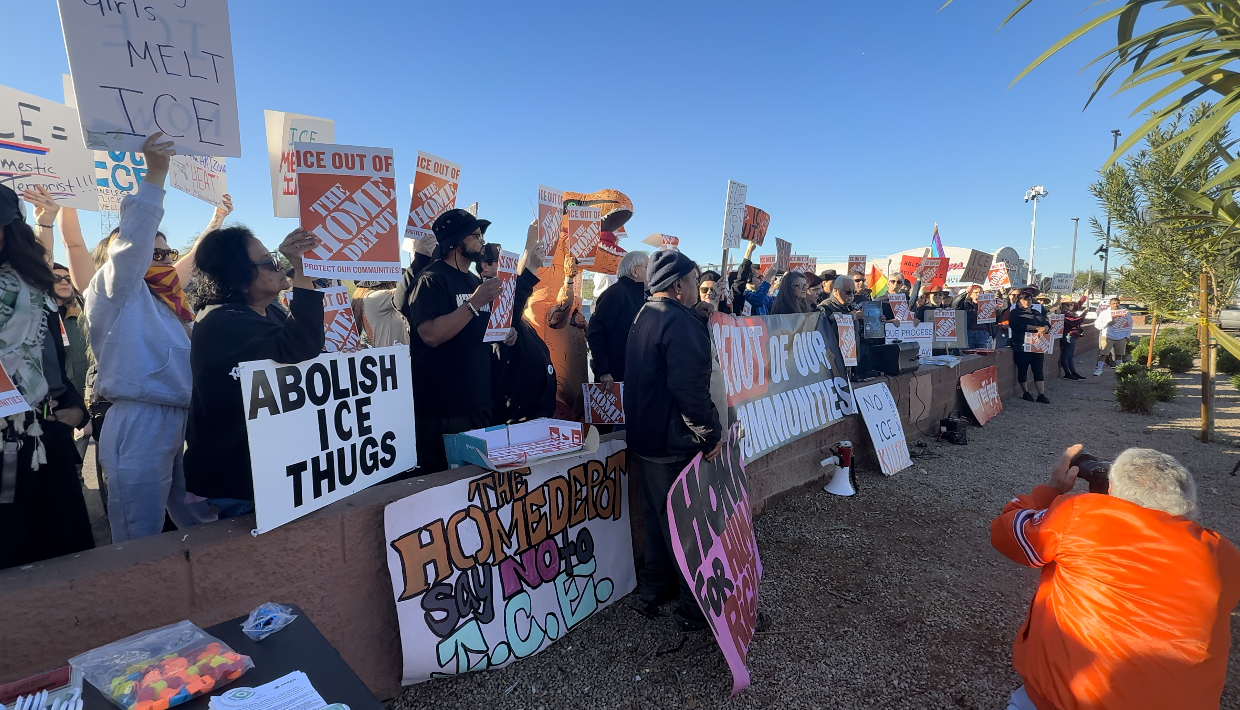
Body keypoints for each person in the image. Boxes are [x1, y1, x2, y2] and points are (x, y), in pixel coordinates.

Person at [992, 445, 1240, 710]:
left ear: (1111, 491)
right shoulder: (1224, 554)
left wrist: (1051, 489)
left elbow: (1005, 531)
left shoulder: (1081, 515)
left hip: (1064, 701)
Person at [83, 133, 215, 542]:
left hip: (185, 417)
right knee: (139, 529)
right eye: (151, 253)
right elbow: (133, 244)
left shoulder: (176, 305)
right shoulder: (113, 292)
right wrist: (156, 172)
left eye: (166, 254)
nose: (162, 260)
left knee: (199, 523)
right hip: (139, 419)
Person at [182, 226, 324, 519]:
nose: (279, 265)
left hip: (269, 471)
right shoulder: (222, 323)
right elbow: (301, 345)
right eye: (269, 260)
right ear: (239, 277)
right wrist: (302, 268)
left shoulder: (266, 311)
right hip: (242, 482)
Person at [625, 249, 721, 632]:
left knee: (656, 521)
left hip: (647, 439)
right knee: (685, 529)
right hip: (672, 442)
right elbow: (691, 391)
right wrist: (711, 432)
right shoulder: (677, 323)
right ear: (679, 285)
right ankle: (695, 610)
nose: (700, 288)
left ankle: (655, 589)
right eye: (696, 281)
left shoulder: (646, 313)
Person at [0, 186, 94, 568]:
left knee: (62, 559)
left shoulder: (32, 288)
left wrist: (73, 407)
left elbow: (51, 359)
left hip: (42, 438)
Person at [402, 209, 506, 473]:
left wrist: (504, 333)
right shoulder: (431, 279)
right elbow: (431, 335)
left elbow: (476, 332)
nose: (481, 241)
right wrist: (475, 303)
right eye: (475, 235)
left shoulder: (474, 281)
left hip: (480, 400)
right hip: (444, 409)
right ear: (455, 241)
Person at [492, 224, 556, 425]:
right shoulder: (499, 312)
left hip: (536, 414)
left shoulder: (517, 318)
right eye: (500, 264)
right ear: (485, 266)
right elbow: (513, 302)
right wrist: (532, 266)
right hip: (519, 419)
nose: (509, 276)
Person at [586, 250, 648, 391]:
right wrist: (604, 371)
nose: (651, 273)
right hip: (616, 379)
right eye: (647, 268)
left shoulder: (642, 295)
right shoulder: (615, 294)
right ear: (635, 271)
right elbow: (595, 332)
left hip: (636, 375)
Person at [1009, 289, 1051, 403]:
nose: (1027, 301)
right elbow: (1016, 325)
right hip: (1022, 345)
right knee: (1023, 369)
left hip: (1037, 345)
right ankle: (1026, 392)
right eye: (1024, 299)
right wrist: (1036, 328)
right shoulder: (1015, 313)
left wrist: (1045, 328)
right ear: (1019, 301)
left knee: (1038, 369)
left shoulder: (1037, 313)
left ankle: (1041, 394)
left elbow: (1047, 323)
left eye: (1029, 299)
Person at [353, 281, 408, 348]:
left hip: (389, 354)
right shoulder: (376, 297)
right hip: (395, 355)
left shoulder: (367, 297)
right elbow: (408, 290)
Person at [731, 241, 775, 316]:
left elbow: (777, 300)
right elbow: (757, 300)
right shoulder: (744, 295)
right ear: (748, 278)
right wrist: (749, 251)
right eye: (759, 277)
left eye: (763, 277)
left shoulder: (764, 297)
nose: (762, 280)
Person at [1093, 297, 1131, 376]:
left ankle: (1119, 370)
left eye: (1117, 303)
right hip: (1107, 336)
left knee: (1119, 354)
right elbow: (1097, 324)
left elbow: (1130, 324)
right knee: (1103, 354)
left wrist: (1127, 335)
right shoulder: (1104, 313)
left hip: (1121, 336)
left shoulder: (1125, 313)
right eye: (1114, 303)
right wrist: (1107, 324)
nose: (1116, 305)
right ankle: (1099, 369)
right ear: (1110, 304)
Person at [953, 284, 995, 349]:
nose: (978, 294)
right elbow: (955, 304)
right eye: (976, 292)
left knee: (982, 356)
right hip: (969, 333)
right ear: (971, 294)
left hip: (983, 333)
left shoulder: (988, 304)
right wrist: (965, 293)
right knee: (969, 356)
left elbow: (996, 319)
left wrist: (997, 310)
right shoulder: (966, 304)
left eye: (981, 292)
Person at [1059, 292, 1089, 379]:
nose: (1070, 306)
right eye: (1067, 305)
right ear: (1063, 305)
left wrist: (1085, 296)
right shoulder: (1064, 313)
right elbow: (1074, 321)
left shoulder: (1070, 312)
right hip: (1068, 335)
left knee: (1070, 356)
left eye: (1071, 304)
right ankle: (1067, 373)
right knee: (1066, 356)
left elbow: (1078, 305)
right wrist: (1083, 314)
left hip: (1073, 335)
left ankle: (1073, 372)